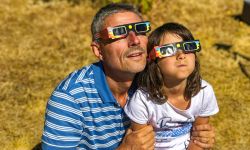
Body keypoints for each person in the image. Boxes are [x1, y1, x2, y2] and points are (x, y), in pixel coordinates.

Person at [42, 3, 216, 150]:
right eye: (118, 33)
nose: (134, 40)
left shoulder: (156, 77)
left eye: (140, 30)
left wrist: (201, 136)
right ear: (98, 50)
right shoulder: (70, 99)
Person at [124, 22, 219, 150]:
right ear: (153, 60)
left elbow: (199, 139)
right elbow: (141, 145)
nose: (181, 55)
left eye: (188, 47)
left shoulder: (204, 92)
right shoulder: (142, 101)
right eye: (169, 50)